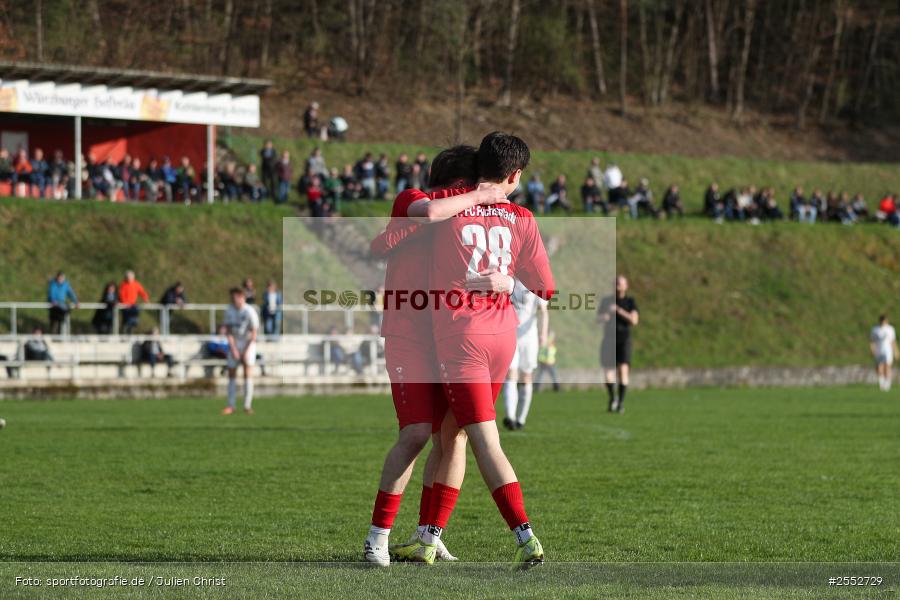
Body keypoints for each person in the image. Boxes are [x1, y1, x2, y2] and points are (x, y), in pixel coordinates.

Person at [387, 133, 554, 569]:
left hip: (463, 338)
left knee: (483, 439)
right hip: (504, 336)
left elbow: (403, 234)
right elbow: (547, 288)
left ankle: (526, 536)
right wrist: (511, 278)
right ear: (515, 175)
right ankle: (427, 538)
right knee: (452, 433)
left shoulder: (449, 213)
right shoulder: (523, 216)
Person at [364, 145, 512, 566]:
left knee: (454, 436)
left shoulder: (465, 219)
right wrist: (483, 196)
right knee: (414, 433)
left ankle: (429, 535)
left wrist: (504, 280)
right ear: (459, 184)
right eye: (471, 187)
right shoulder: (414, 199)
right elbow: (426, 215)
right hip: (409, 335)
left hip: (448, 336)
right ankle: (378, 536)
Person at [503, 280, 549, 431]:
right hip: (509, 335)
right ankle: (510, 417)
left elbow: (543, 311)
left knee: (526, 376)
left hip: (529, 338)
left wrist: (543, 334)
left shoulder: (536, 283)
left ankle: (520, 419)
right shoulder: (508, 279)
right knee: (511, 373)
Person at [598, 275, 639, 413]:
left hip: (624, 340)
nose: (617, 285)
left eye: (620, 283)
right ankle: (612, 398)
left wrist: (619, 311)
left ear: (626, 286)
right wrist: (606, 315)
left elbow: (634, 320)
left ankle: (621, 402)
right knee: (608, 371)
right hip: (609, 339)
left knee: (623, 370)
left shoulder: (630, 302)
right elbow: (598, 318)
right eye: (616, 283)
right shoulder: (606, 301)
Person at [222, 287, 260, 415]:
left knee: (247, 373)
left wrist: (246, 351)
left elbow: (254, 333)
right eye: (232, 297)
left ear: (242, 297)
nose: (234, 300)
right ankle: (231, 405)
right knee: (231, 374)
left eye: (236, 297)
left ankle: (247, 405)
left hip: (248, 343)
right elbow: (228, 330)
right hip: (235, 344)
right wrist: (233, 348)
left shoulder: (250, 311)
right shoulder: (229, 310)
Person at [870, 315, 898, 392]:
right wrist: (872, 349)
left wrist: (896, 351)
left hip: (888, 351)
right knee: (879, 367)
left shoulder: (890, 329)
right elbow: (872, 341)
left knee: (887, 367)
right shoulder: (875, 330)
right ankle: (881, 384)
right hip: (879, 351)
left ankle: (887, 384)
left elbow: (893, 341)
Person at [118, 270, 149, 335]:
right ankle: (123, 334)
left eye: (131, 277)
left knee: (133, 320)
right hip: (125, 306)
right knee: (125, 321)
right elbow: (121, 295)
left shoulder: (136, 284)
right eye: (128, 277)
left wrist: (145, 299)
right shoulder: (123, 285)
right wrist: (125, 303)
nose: (130, 278)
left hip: (133, 306)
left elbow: (142, 292)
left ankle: (130, 333)